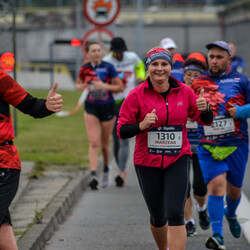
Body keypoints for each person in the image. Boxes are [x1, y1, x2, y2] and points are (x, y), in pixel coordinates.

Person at [117, 47, 213, 250]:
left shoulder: (185, 92)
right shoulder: (136, 95)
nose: (159, 69)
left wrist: (206, 109)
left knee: (174, 212)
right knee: (158, 217)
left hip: (177, 158)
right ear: (148, 68)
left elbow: (204, 120)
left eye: (164, 64)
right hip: (146, 161)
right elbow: (122, 130)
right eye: (155, 64)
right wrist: (141, 125)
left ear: (171, 68)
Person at [191, 41, 250, 250]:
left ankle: (231, 214)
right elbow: (189, 110)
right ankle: (217, 236)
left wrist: (241, 112)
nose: (214, 61)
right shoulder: (197, 82)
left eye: (219, 57)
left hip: (236, 143)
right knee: (216, 186)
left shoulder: (241, 80)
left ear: (229, 60)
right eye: (211, 57)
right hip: (208, 145)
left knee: (234, 192)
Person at [0, 69, 63, 250]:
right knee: (4, 231)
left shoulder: (1, 78)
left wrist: (46, 105)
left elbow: (31, 105)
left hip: (3, 164)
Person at [76, 41, 123, 190]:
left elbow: (119, 87)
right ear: (88, 53)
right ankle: (93, 175)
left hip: (107, 107)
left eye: (98, 50)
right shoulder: (85, 68)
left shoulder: (108, 67)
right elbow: (78, 84)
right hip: (91, 107)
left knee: (104, 145)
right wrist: (83, 86)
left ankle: (106, 169)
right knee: (94, 142)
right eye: (93, 51)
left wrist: (104, 86)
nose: (96, 53)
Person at [103, 37, 146, 187]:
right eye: (116, 53)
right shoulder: (107, 61)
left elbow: (140, 66)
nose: (119, 55)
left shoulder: (132, 57)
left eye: (121, 52)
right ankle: (120, 167)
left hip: (128, 101)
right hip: (112, 101)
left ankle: (121, 171)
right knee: (116, 137)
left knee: (124, 138)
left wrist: (140, 75)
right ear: (112, 52)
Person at [183, 53, 210, 237]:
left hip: (201, 147)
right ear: (183, 75)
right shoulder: (177, 91)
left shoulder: (209, 94)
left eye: (196, 75)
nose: (192, 78)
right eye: (189, 74)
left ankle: (202, 208)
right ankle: (188, 221)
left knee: (199, 188)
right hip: (181, 147)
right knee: (183, 187)